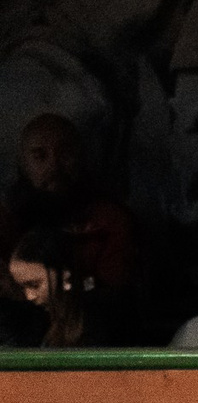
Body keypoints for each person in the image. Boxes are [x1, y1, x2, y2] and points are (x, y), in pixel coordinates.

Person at [0, 114, 140, 300]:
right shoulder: (8, 219)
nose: (54, 166)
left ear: (80, 157)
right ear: (24, 164)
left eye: (65, 154)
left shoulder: (108, 221)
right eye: (40, 156)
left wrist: (61, 287)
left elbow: (113, 285)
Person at [6, 228, 95, 348]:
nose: (29, 296)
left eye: (34, 285)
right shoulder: (35, 321)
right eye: (22, 287)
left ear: (65, 274)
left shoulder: (99, 319)